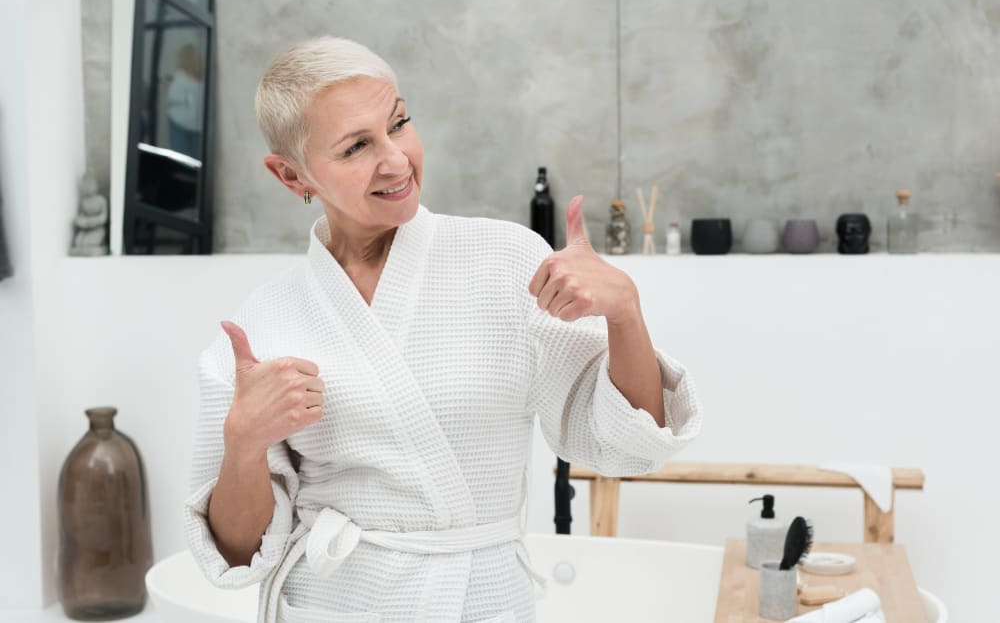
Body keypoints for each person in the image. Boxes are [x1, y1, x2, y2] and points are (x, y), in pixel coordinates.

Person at [184, 36, 702, 623]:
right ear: (290, 174)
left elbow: (628, 443)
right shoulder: (265, 320)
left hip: (480, 601)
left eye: (398, 123)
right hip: (330, 602)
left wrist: (625, 314)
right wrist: (244, 443)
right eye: (357, 146)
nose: (397, 160)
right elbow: (238, 552)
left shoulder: (506, 261)